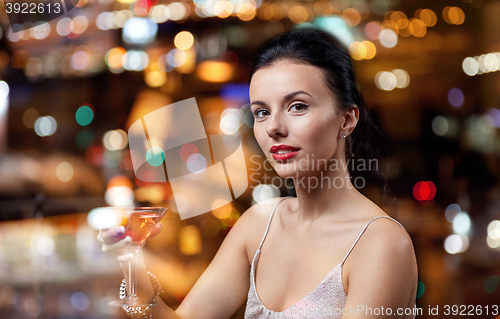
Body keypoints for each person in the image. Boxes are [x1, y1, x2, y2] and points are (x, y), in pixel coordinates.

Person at [99, 28, 418, 319]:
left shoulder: (380, 244)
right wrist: (132, 266)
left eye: (297, 107)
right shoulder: (258, 226)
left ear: (347, 119)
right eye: (262, 112)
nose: (275, 128)